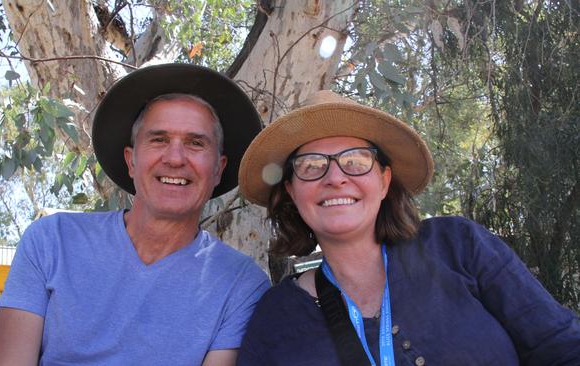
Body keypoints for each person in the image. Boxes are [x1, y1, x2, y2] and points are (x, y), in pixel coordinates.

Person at [235, 90, 580, 365]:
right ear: (292, 192)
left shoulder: (458, 247)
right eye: (311, 166)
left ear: (384, 181)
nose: (336, 178)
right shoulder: (275, 317)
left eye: (355, 161)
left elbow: (562, 347)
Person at [0, 63, 270, 366]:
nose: (174, 158)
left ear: (218, 169)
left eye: (195, 143)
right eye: (158, 139)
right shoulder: (52, 242)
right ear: (131, 161)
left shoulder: (240, 284)